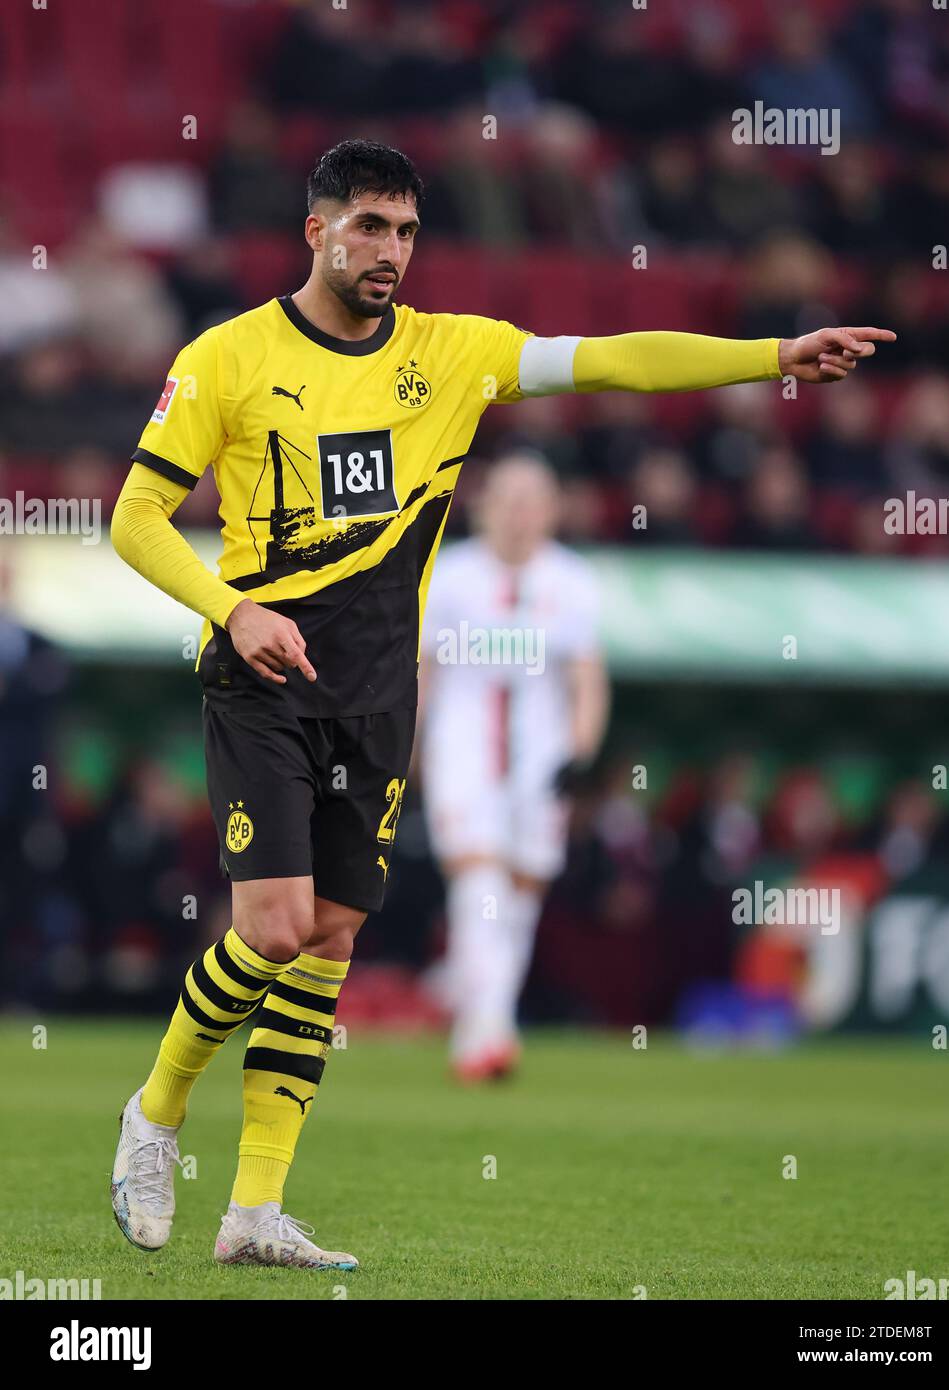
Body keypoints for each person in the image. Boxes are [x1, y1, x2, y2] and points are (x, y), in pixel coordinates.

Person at [109, 137, 895, 1272]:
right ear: (315, 230)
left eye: (408, 230)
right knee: (272, 927)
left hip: (376, 699)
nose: (390, 251)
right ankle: (155, 1114)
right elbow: (134, 518)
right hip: (261, 679)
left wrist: (771, 353)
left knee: (326, 944)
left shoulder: (457, 353)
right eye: (369, 226)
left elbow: (617, 362)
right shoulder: (226, 358)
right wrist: (232, 608)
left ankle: (254, 1210)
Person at [419, 452, 609, 1080]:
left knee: (522, 896)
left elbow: (586, 677)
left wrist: (581, 754)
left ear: (553, 509)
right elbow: (423, 673)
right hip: (463, 749)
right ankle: (492, 1029)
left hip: (541, 759)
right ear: (483, 506)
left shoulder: (574, 581)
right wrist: (407, 746)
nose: (520, 513)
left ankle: (477, 1023)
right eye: (508, 498)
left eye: (533, 499)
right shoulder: (448, 576)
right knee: (478, 882)